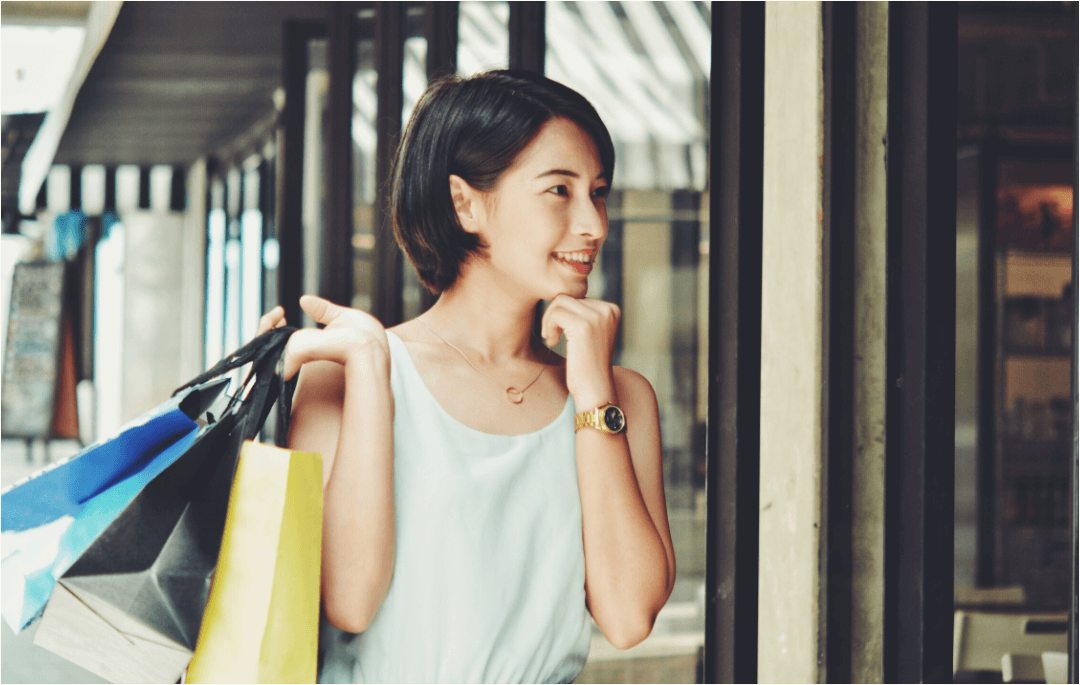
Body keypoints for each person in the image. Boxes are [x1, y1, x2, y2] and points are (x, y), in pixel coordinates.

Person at [257, 69, 674, 684]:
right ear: (465, 203)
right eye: (560, 190)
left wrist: (592, 393)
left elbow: (627, 615)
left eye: (599, 192)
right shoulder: (345, 376)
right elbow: (349, 598)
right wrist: (373, 370)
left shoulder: (619, 398)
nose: (595, 224)